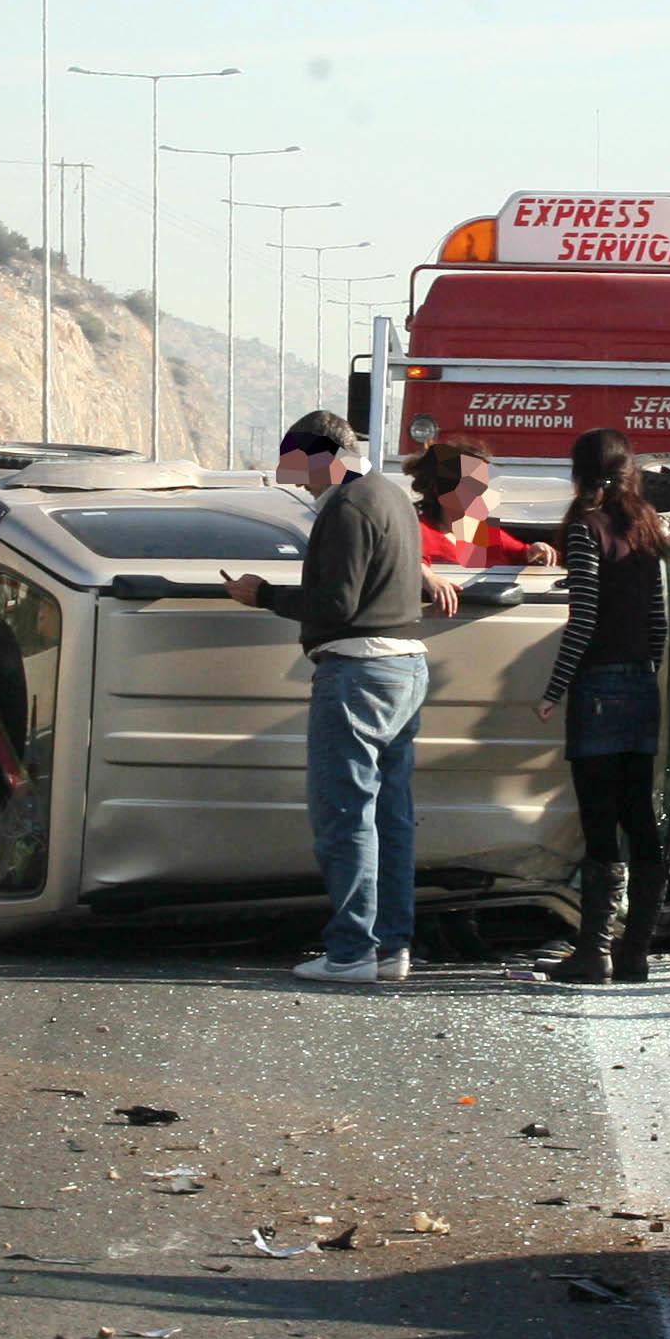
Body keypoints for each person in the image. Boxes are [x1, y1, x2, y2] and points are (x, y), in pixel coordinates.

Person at [224, 412, 462, 985]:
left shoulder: (349, 503)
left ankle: (352, 950)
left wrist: (262, 595)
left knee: (345, 814)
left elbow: (336, 604)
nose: (296, 478)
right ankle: (390, 948)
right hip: (405, 665)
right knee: (391, 816)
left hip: (357, 672)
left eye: (297, 463)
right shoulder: (391, 497)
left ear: (322, 454)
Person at [532, 430, 670, 985]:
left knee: (600, 820)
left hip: (598, 689)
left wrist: (554, 689)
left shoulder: (587, 531)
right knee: (640, 813)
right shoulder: (649, 527)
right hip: (641, 684)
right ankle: (637, 949)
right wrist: (646, 672)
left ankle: (593, 951)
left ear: (579, 472)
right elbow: (658, 621)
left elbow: (583, 617)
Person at [407, 439, 558, 569]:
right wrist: (426, 575)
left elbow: (525, 554)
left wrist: (537, 549)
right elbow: (405, 566)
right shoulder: (418, 531)